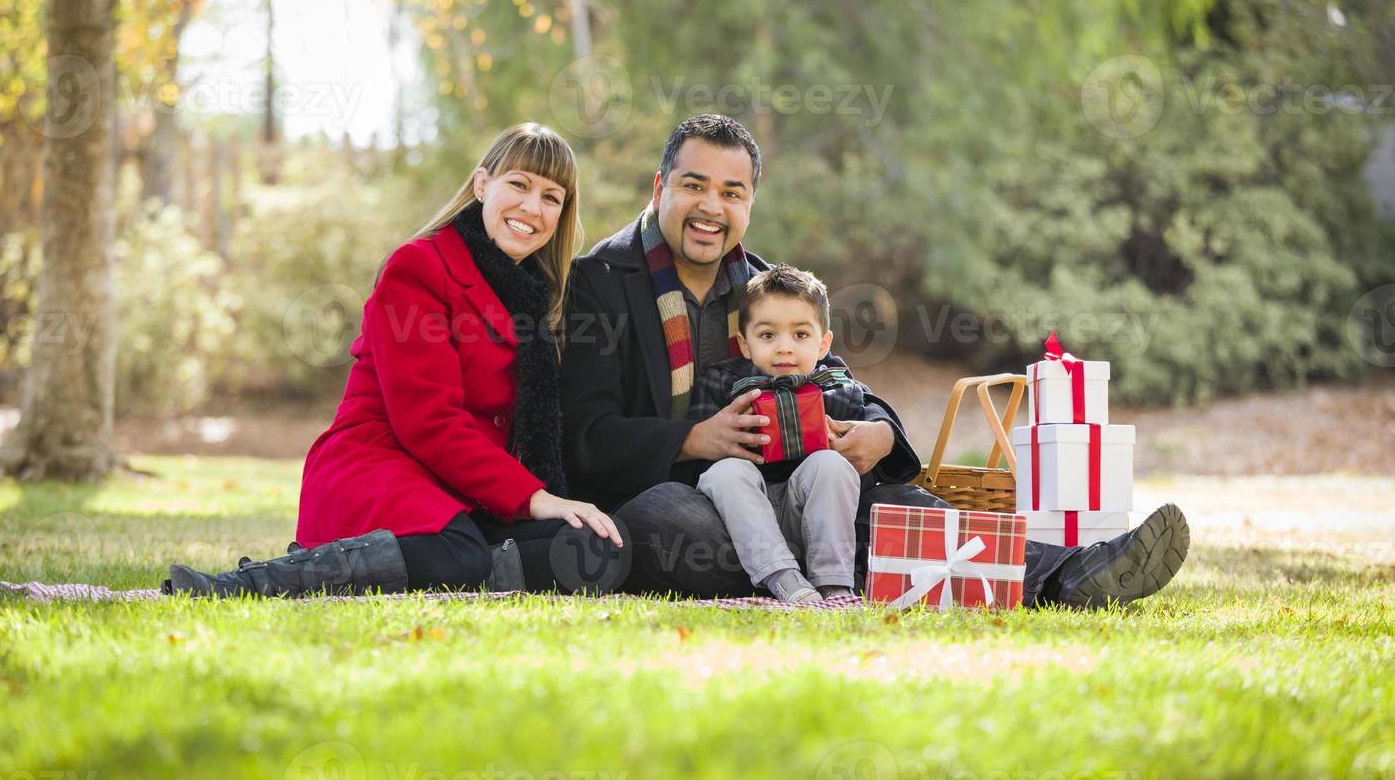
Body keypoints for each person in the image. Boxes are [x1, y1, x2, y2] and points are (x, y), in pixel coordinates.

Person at [560, 113, 1190, 605]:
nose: (711, 208)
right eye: (694, 186)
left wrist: (880, 432)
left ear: (750, 202)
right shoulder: (599, 280)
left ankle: (1074, 572)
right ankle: (828, 574)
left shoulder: (762, 287)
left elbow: (839, 380)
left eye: (732, 192)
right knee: (663, 523)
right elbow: (584, 439)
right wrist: (695, 438)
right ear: (660, 186)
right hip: (692, 499)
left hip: (806, 491)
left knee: (906, 509)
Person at [166, 122, 627, 598]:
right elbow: (428, 421)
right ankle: (260, 581)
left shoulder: (535, 297)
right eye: (520, 184)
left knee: (590, 545)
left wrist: (559, 502)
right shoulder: (420, 267)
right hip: (381, 467)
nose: (532, 208)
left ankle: (464, 572)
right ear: (482, 184)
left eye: (552, 197)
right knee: (459, 553)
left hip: (465, 492)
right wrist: (534, 497)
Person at [693, 265, 872, 603]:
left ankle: (834, 584)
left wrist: (829, 429)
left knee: (831, 465)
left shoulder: (837, 386)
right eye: (767, 336)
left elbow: (859, 427)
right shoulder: (722, 382)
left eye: (800, 335)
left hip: (805, 509)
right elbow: (702, 450)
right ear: (744, 345)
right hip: (740, 517)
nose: (784, 348)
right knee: (726, 471)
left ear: (823, 344)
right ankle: (784, 578)